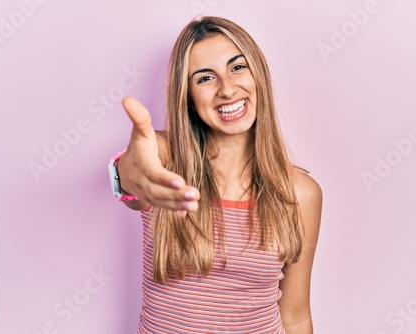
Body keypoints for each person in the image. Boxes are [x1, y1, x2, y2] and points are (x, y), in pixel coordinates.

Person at [111, 16, 322, 334]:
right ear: (190, 99)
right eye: (205, 78)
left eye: (238, 67)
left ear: (258, 75)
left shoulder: (301, 194)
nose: (227, 89)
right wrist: (128, 174)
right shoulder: (165, 159)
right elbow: (133, 171)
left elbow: (294, 315)